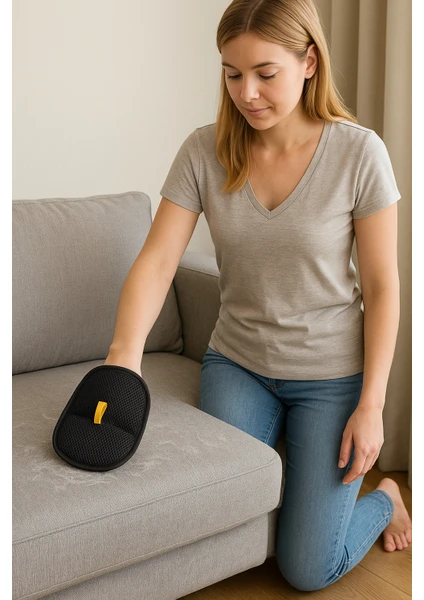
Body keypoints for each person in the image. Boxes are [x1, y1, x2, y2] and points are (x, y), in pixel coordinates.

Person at [104, 0, 412, 592]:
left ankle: (385, 500)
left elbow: (381, 286)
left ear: (309, 62)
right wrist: (124, 356)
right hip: (237, 365)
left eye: (266, 74)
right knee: (225, 514)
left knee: (306, 569)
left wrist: (372, 404)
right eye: (232, 73)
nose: (247, 93)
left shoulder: (359, 153)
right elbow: (158, 260)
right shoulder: (204, 151)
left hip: (330, 378)